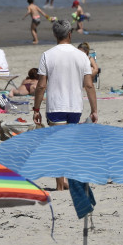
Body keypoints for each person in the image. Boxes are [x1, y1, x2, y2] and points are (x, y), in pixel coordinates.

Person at [33, 19, 98, 190]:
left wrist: (36, 108)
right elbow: (89, 85)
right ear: (70, 34)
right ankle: (69, 181)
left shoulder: (47, 55)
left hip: (56, 106)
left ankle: (60, 186)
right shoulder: (82, 56)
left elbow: (41, 85)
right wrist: (94, 110)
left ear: (55, 34)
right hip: (75, 106)